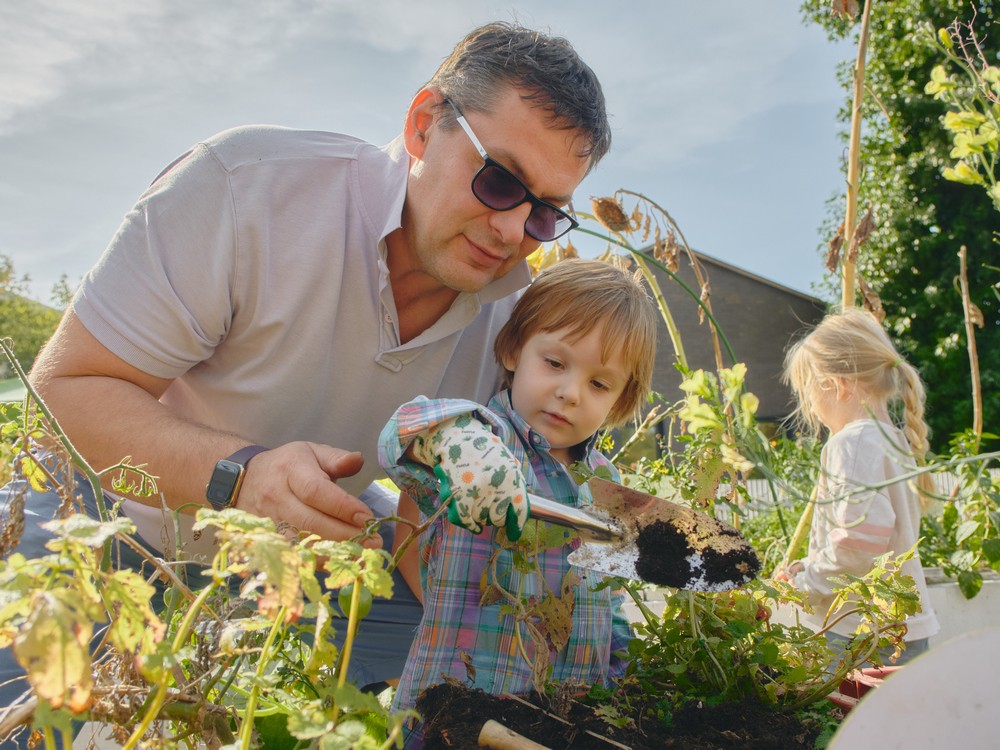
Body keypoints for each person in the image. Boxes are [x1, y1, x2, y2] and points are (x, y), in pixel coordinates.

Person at [0, 21, 611, 742]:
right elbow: (62, 397)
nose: (512, 231)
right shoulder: (247, 190)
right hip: (105, 526)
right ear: (423, 126)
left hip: (290, 574)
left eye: (542, 211)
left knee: (456, 686)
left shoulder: (511, 322)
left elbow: (435, 507)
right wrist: (243, 475)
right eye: (500, 180)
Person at [378, 259, 658, 746]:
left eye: (599, 383)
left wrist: (620, 671)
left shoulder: (606, 486)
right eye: (554, 363)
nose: (570, 393)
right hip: (453, 708)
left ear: (619, 401)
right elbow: (401, 436)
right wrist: (457, 446)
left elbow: (608, 597)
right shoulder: (484, 440)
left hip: (564, 720)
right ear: (512, 350)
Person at [775, 308, 940, 667]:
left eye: (809, 392)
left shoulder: (851, 443)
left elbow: (858, 540)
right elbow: (873, 537)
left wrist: (808, 585)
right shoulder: (894, 439)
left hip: (860, 635)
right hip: (902, 630)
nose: (812, 409)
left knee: (841, 723)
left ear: (838, 384)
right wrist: (808, 565)